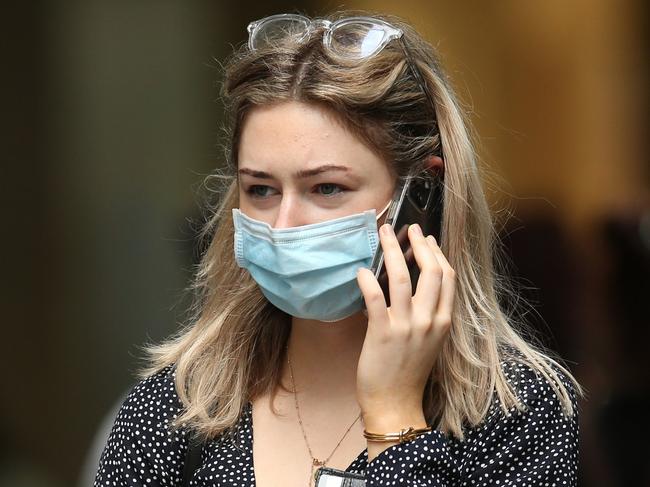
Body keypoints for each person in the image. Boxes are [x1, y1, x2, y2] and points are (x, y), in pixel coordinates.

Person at [94, 11, 583, 487]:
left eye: (326, 188)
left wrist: (394, 419)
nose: (284, 225)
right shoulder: (172, 410)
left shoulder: (519, 414)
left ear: (422, 195)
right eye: (261, 190)